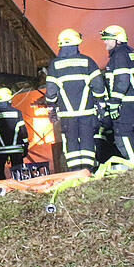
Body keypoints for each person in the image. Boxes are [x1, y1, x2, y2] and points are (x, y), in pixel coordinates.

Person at [45, 29, 107, 172]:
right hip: (87, 112)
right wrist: (100, 102)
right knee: (87, 139)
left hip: (67, 115)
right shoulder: (88, 61)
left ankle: (75, 172)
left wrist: (51, 106)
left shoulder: (55, 65)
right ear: (76, 44)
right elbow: (98, 85)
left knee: (71, 142)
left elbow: (51, 92)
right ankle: (88, 171)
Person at [100, 25, 134, 164]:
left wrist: (114, 102)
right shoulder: (127, 53)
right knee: (130, 136)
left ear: (117, 40)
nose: (105, 42)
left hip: (126, 101)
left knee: (123, 134)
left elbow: (122, 80)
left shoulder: (119, 55)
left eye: (108, 39)